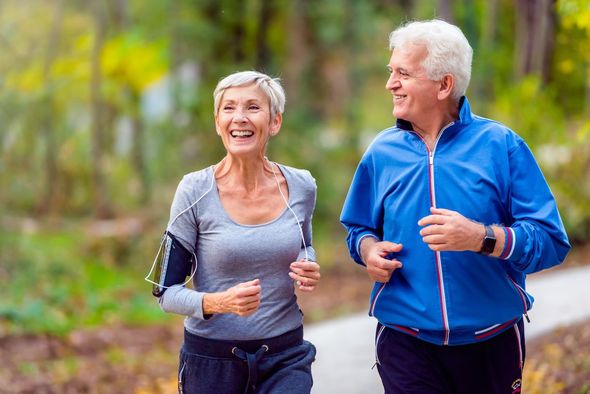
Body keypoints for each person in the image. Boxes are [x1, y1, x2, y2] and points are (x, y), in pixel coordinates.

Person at [340, 19, 570, 393]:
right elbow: (358, 229)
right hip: (404, 339)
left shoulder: (502, 146)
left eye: (403, 73)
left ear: (444, 85)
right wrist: (368, 251)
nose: (390, 83)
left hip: (491, 341)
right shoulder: (381, 152)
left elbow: (550, 242)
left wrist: (481, 237)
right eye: (390, 71)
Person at [146, 70, 320, 394]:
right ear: (217, 123)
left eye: (253, 107)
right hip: (212, 364)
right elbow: (166, 294)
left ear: (275, 122)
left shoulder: (300, 186)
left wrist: (307, 263)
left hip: (285, 357)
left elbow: (305, 244)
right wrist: (220, 302)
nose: (239, 117)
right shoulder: (194, 190)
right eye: (229, 108)